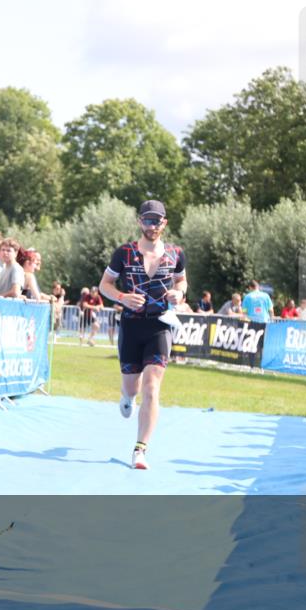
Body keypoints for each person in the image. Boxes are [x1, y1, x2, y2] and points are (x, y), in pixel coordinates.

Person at [98, 200, 187, 470]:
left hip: (160, 325)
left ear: (164, 223)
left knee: (152, 387)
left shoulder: (175, 253)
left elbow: (182, 280)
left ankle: (140, 449)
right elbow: (105, 285)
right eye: (147, 220)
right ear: (140, 222)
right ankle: (127, 398)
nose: (152, 225)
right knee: (132, 387)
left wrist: (179, 293)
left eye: (157, 220)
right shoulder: (124, 253)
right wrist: (123, 297)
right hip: (131, 326)